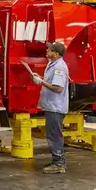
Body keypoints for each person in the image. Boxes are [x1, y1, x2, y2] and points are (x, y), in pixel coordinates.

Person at [30, 41, 70, 174]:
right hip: (51, 106)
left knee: (54, 135)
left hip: (55, 107)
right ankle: (57, 160)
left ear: (56, 54)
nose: (47, 51)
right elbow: (52, 82)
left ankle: (58, 163)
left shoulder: (59, 67)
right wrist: (40, 78)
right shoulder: (52, 64)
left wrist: (41, 82)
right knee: (52, 134)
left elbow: (58, 88)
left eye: (50, 50)